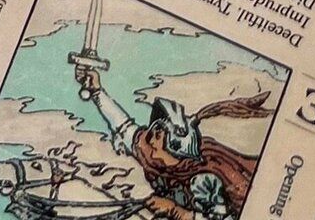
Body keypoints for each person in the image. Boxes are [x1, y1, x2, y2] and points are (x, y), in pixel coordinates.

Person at [74, 63, 270, 219]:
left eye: (159, 132)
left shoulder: (202, 180)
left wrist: (176, 211)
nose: (151, 134)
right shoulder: (154, 157)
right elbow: (123, 126)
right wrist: (97, 92)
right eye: (155, 129)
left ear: (175, 145)